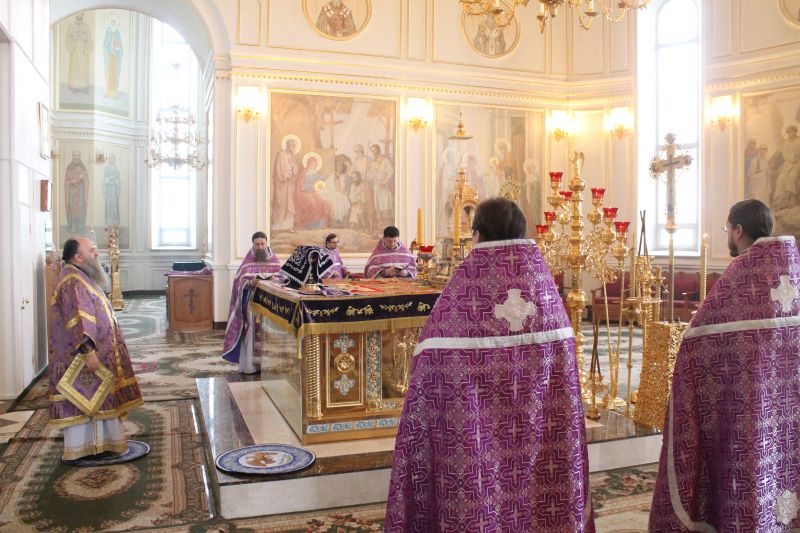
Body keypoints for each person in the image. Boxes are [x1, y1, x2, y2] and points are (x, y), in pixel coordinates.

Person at [385, 198, 593, 531]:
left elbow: (429, 366)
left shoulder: (462, 300)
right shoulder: (546, 298)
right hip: (539, 446)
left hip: (472, 454)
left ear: (478, 235)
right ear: (522, 231)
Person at [649, 199, 800, 531]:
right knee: (783, 460)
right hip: (786, 407)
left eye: (727, 229)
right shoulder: (792, 272)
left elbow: (695, 340)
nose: (727, 234)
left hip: (748, 407)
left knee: (752, 464)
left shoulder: (741, 276)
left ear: (738, 230)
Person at [49, 237, 143, 460]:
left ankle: (102, 445)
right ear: (78, 257)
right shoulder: (73, 282)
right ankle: (86, 447)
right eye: (92, 250)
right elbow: (79, 320)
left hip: (96, 354)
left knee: (99, 402)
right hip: (84, 357)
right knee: (88, 402)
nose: (97, 253)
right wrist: (88, 352)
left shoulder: (79, 276)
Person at [222, 232, 281, 373]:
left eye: (262, 244)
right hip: (251, 303)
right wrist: (250, 282)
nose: (260, 247)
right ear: (253, 244)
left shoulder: (274, 260)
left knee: (267, 333)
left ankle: (267, 366)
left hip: (268, 303)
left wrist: (274, 279)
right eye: (257, 244)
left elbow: (282, 278)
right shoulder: (248, 261)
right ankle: (250, 366)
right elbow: (239, 281)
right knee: (251, 332)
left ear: (266, 243)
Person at [271, 136, 299, 231]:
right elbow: (277, 169)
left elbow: (295, 169)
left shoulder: (292, 156)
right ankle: (277, 227)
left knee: (289, 204)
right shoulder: (280, 154)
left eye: (294, 146)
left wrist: (293, 166)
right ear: (288, 145)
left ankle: (288, 226)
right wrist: (283, 176)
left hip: (289, 182)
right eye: (292, 146)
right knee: (280, 203)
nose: (294, 148)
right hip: (281, 183)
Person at [65, 13, 93, 93]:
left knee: (83, 68)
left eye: (81, 15)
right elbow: (67, 39)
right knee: (74, 68)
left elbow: (90, 40)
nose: (80, 16)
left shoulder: (86, 27)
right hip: (75, 51)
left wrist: (85, 38)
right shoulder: (71, 26)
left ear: (83, 15)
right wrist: (72, 42)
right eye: (79, 15)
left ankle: (84, 87)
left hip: (83, 52)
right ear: (76, 15)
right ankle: (74, 87)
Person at [65, 151, 89, 234]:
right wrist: (70, 181)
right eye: (75, 156)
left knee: (81, 210)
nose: (76, 157)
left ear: (80, 156)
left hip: (80, 193)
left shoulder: (83, 168)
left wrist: (83, 178)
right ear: (73, 156)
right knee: (72, 209)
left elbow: (86, 181)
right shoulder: (69, 168)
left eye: (78, 156)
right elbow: (66, 181)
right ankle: (73, 228)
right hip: (72, 192)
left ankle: (80, 228)